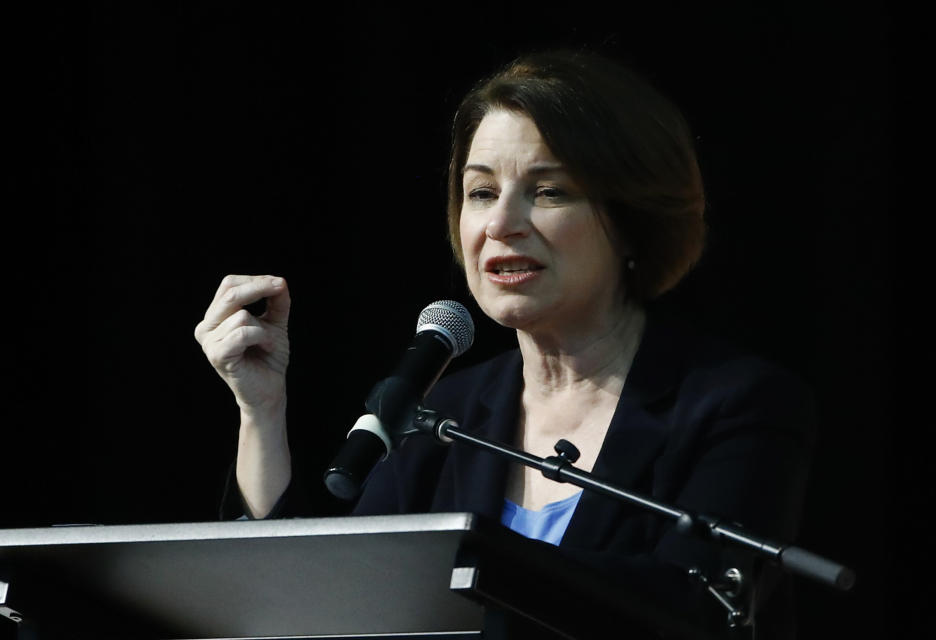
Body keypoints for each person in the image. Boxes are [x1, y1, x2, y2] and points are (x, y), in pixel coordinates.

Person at [194, 50, 815, 639]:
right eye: (482, 192)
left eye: (548, 191)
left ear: (633, 218)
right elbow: (314, 606)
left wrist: (469, 571)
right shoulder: (438, 413)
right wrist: (262, 411)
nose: (499, 224)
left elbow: (696, 608)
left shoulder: (737, 405)